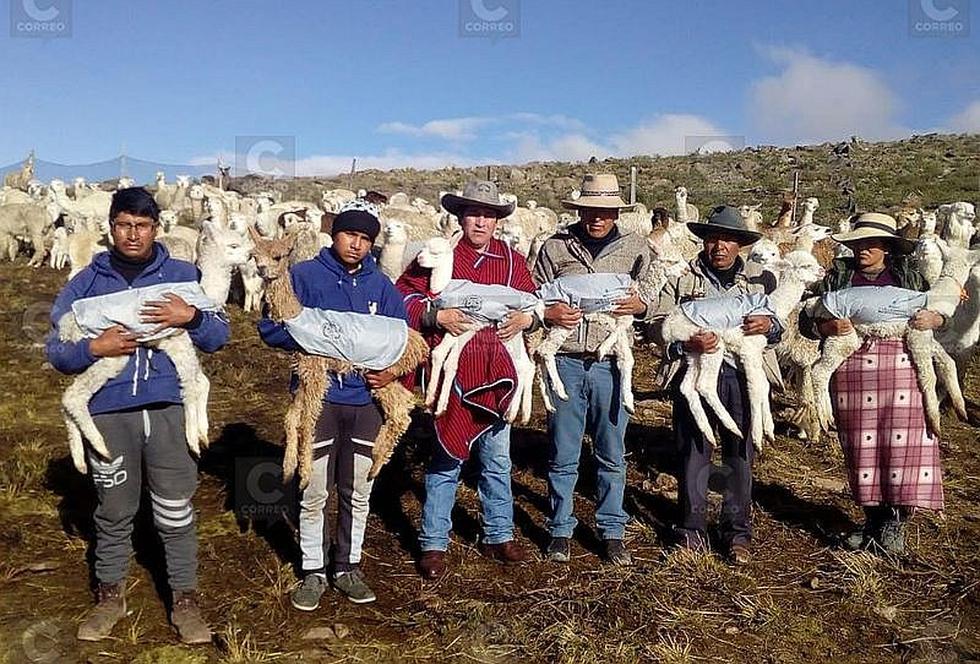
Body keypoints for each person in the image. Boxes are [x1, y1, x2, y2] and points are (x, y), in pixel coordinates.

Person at [46, 187, 229, 644]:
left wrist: (191, 316)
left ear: (156, 228)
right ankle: (110, 596)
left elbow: (218, 334)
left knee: (174, 508)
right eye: (124, 225)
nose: (133, 234)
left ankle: (184, 600)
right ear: (111, 228)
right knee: (113, 510)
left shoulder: (183, 275)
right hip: (110, 412)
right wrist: (93, 348)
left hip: (169, 408)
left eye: (142, 225)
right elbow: (56, 349)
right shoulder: (86, 283)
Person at [258, 200, 408, 608]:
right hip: (317, 398)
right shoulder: (304, 277)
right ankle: (312, 570)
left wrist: (392, 373)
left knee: (358, 488)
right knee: (313, 488)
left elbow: (402, 339)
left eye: (365, 239)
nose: (356, 244)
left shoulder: (382, 287)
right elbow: (270, 327)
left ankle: (347, 565)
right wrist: (318, 345)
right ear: (334, 234)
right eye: (349, 235)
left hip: (363, 401)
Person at [396, 180, 537, 580]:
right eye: (474, 213)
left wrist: (528, 318)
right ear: (460, 216)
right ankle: (434, 542)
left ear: (497, 221)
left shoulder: (511, 260)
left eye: (488, 215)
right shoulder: (439, 255)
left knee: (497, 457)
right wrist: (435, 317)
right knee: (447, 455)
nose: (480, 221)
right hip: (455, 373)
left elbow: (533, 301)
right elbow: (402, 297)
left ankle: (498, 533)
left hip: (501, 372)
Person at [799, 212, 946, 555]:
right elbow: (807, 319)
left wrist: (935, 317)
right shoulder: (838, 277)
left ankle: (896, 522)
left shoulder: (910, 277)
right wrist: (826, 328)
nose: (863, 249)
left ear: (887, 247)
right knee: (861, 447)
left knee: (902, 445)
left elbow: (940, 311)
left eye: (871, 244)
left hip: (903, 368)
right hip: (852, 370)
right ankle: (873, 520)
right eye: (858, 243)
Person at [532, 173, 655, 566]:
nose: (597, 219)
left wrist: (643, 308)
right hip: (564, 358)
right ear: (580, 210)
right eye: (590, 211)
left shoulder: (636, 249)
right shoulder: (554, 247)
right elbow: (534, 297)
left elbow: (656, 298)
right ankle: (560, 529)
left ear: (616, 212)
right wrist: (546, 312)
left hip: (610, 363)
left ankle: (611, 529)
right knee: (563, 451)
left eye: (605, 212)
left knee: (611, 451)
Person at [648, 205, 782, 565]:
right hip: (695, 370)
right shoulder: (683, 278)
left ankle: (736, 531)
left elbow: (781, 325)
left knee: (740, 451)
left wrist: (769, 328)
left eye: (728, 239)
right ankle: (691, 529)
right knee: (694, 450)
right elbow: (654, 325)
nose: (719, 246)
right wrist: (683, 344)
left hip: (743, 373)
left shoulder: (759, 279)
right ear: (703, 241)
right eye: (712, 238)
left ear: (740, 244)